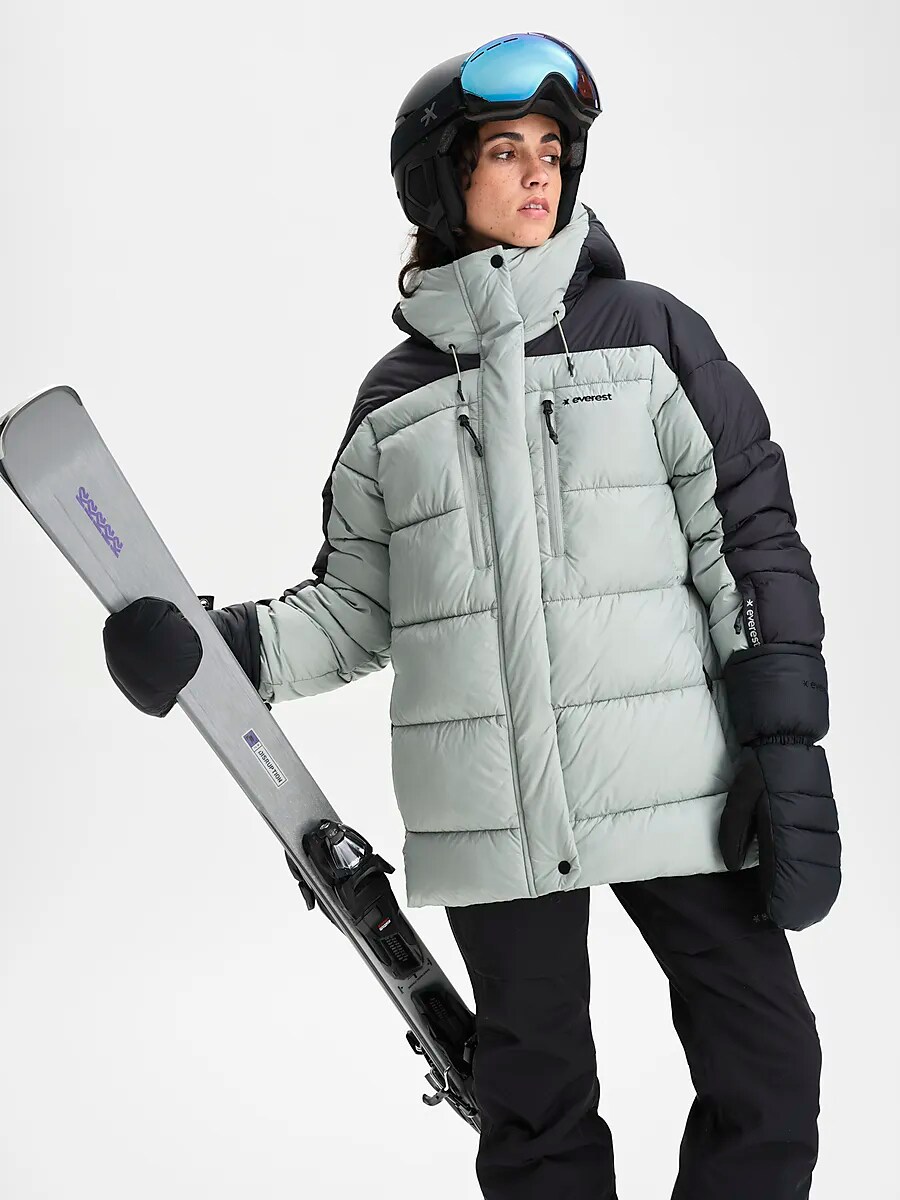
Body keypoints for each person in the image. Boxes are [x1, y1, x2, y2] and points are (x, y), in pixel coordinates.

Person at [102, 30, 841, 1200]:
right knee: (537, 1116)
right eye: (506, 150)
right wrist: (223, 650)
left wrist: (785, 742)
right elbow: (356, 608)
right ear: (442, 181)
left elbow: (749, 541)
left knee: (769, 1066)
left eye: (553, 147)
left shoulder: (650, 338)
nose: (541, 171)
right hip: (492, 813)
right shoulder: (393, 405)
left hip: (674, 783)